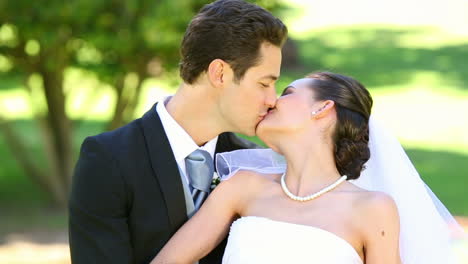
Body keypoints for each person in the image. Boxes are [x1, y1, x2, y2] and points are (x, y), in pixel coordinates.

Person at [151, 72, 460, 263]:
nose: (271, 100)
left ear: (323, 108)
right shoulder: (241, 188)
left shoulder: (373, 209)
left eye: (287, 93)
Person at [68, 0, 288, 263]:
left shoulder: (253, 164)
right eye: (264, 84)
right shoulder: (108, 160)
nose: (272, 100)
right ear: (219, 73)